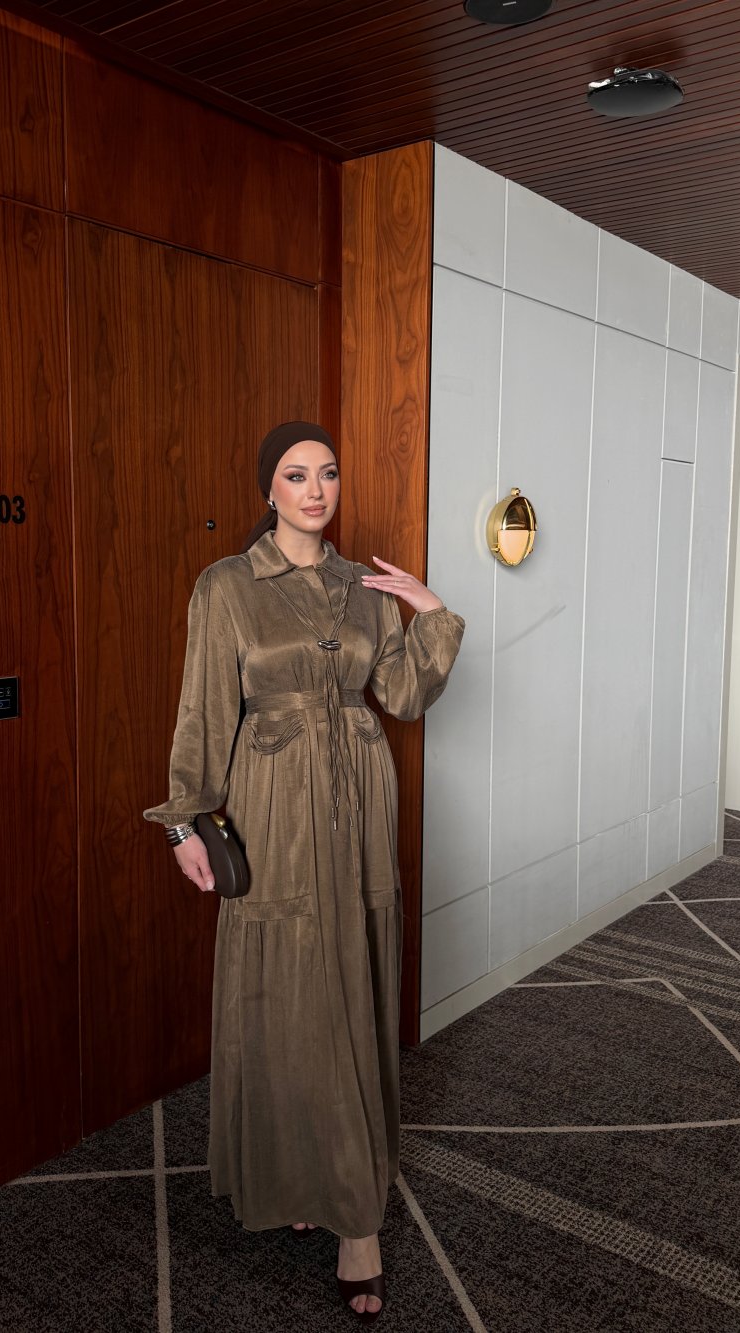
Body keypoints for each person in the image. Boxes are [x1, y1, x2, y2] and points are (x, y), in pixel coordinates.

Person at [144, 422, 464, 1324]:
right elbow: (204, 710)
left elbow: (402, 695)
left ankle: (358, 1220)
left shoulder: (362, 590)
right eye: (296, 474)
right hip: (273, 805)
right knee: (284, 990)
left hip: (359, 801)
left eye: (327, 473)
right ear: (269, 489)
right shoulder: (227, 586)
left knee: (350, 987)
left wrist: (429, 610)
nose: (316, 489)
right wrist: (184, 821)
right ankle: (294, 1173)